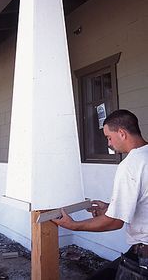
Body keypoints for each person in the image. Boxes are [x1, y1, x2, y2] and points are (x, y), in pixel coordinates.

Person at [53, 109, 148, 279]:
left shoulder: (131, 165)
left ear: (122, 133)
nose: (109, 143)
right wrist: (112, 207)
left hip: (144, 256)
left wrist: (73, 225)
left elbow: (114, 223)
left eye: (109, 137)